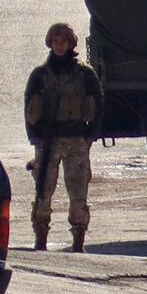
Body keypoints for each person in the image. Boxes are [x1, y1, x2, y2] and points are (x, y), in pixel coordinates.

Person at [23, 23, 103, 253]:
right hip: (48, 140)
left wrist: (90, 136)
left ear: (71, 43)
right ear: (50, 43)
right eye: (55, 41)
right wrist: (34, 138)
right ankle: (40, 238)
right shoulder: (40, 74)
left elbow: (98, 103)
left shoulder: (85, 74)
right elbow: (28, 105)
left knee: (78, 193)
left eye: (63, 41)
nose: (59, 46)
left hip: (76, 139)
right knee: (43, 192)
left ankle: (78, 239)